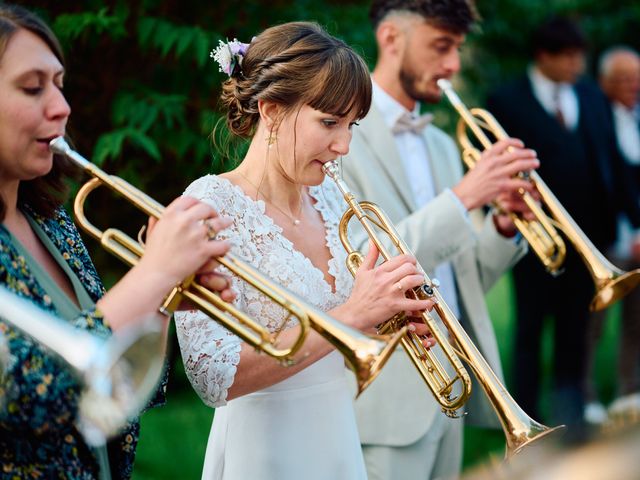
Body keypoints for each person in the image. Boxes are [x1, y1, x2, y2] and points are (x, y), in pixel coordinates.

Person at [173, 21, 436, 480]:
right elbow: (212, 378)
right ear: (271, 110)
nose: (344, 145)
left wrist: (387, 321)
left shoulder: (332, 200)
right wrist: (351, 316)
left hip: (336, 441)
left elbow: (340, 344)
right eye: (329, 122)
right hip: (262, 454)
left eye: (351, 125)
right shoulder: (207, 206)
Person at [0, 3, 234, 478]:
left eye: (60, 84)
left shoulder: (52, 222)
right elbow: (25, 393)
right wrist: (154, 273)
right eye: (32, 87)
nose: (61, 106)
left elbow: (122, 388)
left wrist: (165, 297)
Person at [339, 1, 537, 478]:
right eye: (441, 46)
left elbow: (460, 279)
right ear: (391, 39)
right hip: (387, 402)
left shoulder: (443, 145)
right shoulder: (340, 138)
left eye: (458, 49)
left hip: (452, 389)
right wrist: (464, 196)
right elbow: (362, 264)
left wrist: (505, 226)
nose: (453, 65)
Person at [487, 17, 640, 436]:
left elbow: (610, 162)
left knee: (575, 328)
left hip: (587, 235)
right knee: (531, 328)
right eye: (568, 57)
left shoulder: (590, 96)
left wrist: (635, 221)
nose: (577, 65)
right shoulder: (506, 99)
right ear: (544, 56)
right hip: (532, 240)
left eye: (579, 56)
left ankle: (572, 417)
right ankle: (522, 418)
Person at [585, 46, 640, 420]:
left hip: (636, 237)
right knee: (592, 324)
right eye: (622, 79)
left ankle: (629, 393)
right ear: (603, 82)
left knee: (637, 321)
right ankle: (586, 398)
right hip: (603, 238)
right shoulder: (593, 118)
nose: (630, 86)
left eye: (635, 78)